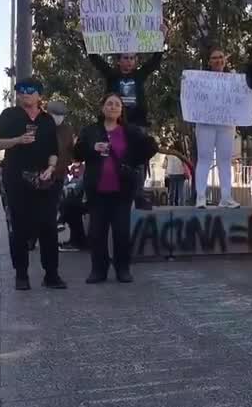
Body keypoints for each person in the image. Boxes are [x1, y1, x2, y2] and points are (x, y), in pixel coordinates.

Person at [0, 78, 66, 291]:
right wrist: (17, 140)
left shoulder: (47, 120)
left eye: (30, 90)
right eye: (21, 90)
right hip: (16, 177)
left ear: (39, 95)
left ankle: (51, 274)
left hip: (43, 178)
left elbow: (54, 150)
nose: (25, 93)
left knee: (49, 226)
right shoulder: (10, 115)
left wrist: (51, 169)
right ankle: (21, 274)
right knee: (20, 227)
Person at [74, 94, 158, 284]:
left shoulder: (130, 131)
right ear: (102, 108)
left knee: (121, 232)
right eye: (109, 104)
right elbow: (77, 153)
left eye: (117, 104)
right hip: (97, 190)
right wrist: (92, 148)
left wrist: (134, 160)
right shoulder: (91, 130)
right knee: (97, 232)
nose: (113, 107)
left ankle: (123, 268)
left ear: (121, 110)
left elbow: (150, 146)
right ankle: (98, 270)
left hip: (123, 190)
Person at [89, 36, 165, 210]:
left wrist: (163, 37)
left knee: (139, 161)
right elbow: (95, 58)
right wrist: (84, 37)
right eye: (125, 58)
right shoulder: (111, 75)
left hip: (137, 124)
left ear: (136, 60)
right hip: (115, 125)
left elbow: (155, 61)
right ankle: (101, 195)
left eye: (132, 58)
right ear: (118, 61)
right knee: (109, 158)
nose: (129, 61)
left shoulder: (139, 75)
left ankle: (138, 196)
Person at [194, 48, 240, 208]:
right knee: (204, 158)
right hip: (205, 123)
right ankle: (200, 197)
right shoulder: (200, 79)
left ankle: (226, 197)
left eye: (221, 57)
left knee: (225, 160)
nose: (218, 60)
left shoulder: (233, 80)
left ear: (225, 60)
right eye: (214, 58)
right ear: (209, 61)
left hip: (226, 123)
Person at [46, 100, 81, 252]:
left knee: (53, 207)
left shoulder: (67, 129)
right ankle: (33, 239)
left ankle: (51, 239)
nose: (59, 118)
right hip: (43, 175)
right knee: (43, 209)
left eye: (62, 115)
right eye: (56, 115)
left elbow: (71, 151)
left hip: (59, 175)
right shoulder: (42, 127)